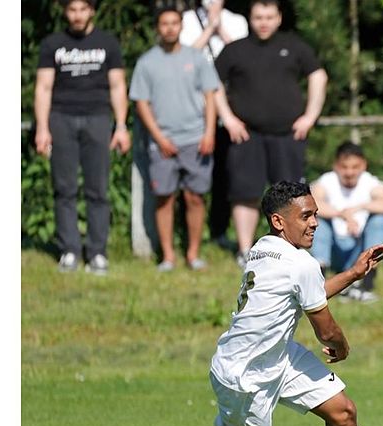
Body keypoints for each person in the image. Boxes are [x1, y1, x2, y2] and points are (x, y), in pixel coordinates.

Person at [155, 181, 383, 426]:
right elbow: (327, 330)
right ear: (279, 221)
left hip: (279, 356)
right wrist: (342, 347)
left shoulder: (264, 247)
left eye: (316, 214)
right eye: (306, 216)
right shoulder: (299, 263)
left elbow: (308, 292)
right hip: (243, 374)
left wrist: (351, 273)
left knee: (343, 411)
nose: (315, 223)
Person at [213, 0, 328, 267]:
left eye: (269, 17)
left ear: (278, 18)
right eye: (258, 17)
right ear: (250, 19)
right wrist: (227, 118)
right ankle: (245, 251)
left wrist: (310, 116)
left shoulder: (295, 46)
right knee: (245, 193)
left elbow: (318, 76)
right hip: (246, 135)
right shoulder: (235, 50)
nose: (263, 22)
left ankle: (294, 250)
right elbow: (212, 82)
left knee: (292, 197)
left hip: (288, 135)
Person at [34, 0, 131, 275]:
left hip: (98, 119)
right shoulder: (52, 44)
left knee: (97, 189)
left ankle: (97, 252)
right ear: (66, 12)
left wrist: (121, 126)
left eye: (82, 9)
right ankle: (69, 250)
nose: (77, 15)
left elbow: (117, 85)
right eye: (72, 10)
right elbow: (43, 87)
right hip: (61, 119)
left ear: (91, 11)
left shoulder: (107, 43)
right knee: (64, 188)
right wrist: (42, 127)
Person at [130, 6, 219, 272]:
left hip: (196, 139)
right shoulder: (146, 63)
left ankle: (193, 253)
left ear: (181, 26)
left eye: (174, 23)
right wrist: (159, 137)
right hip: (162, 143)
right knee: (164, 198)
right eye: (164, 24)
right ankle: (168, 256)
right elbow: (142, 104)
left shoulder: (197, 58)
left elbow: (210, 97)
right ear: (158, 28)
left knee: (195, 197)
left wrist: (210, 132)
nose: (169, 28)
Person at [179, 0, 249, 251]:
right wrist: (209, 29)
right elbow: (185, 56)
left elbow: (243, 56)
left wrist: (221, 29)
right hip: (194, 106)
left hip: (230, 106)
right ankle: (187, 235)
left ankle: (219, 229)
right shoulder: (186, 20)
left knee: (226, 173)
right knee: (193, 173)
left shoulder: (238, 21)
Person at [310, 142, 383, 303]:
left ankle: (367, 283)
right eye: (344, 167)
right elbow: (313, 203)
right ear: (336, 166)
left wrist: (358, 208)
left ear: (363, 165)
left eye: (355, 167)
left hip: (359, 250)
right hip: (333, 249)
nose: (349, 172)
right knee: (317, 219)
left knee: (379, 219)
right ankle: (319, 280)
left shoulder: (371, 183)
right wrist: (342, 215)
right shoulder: (327, 181)